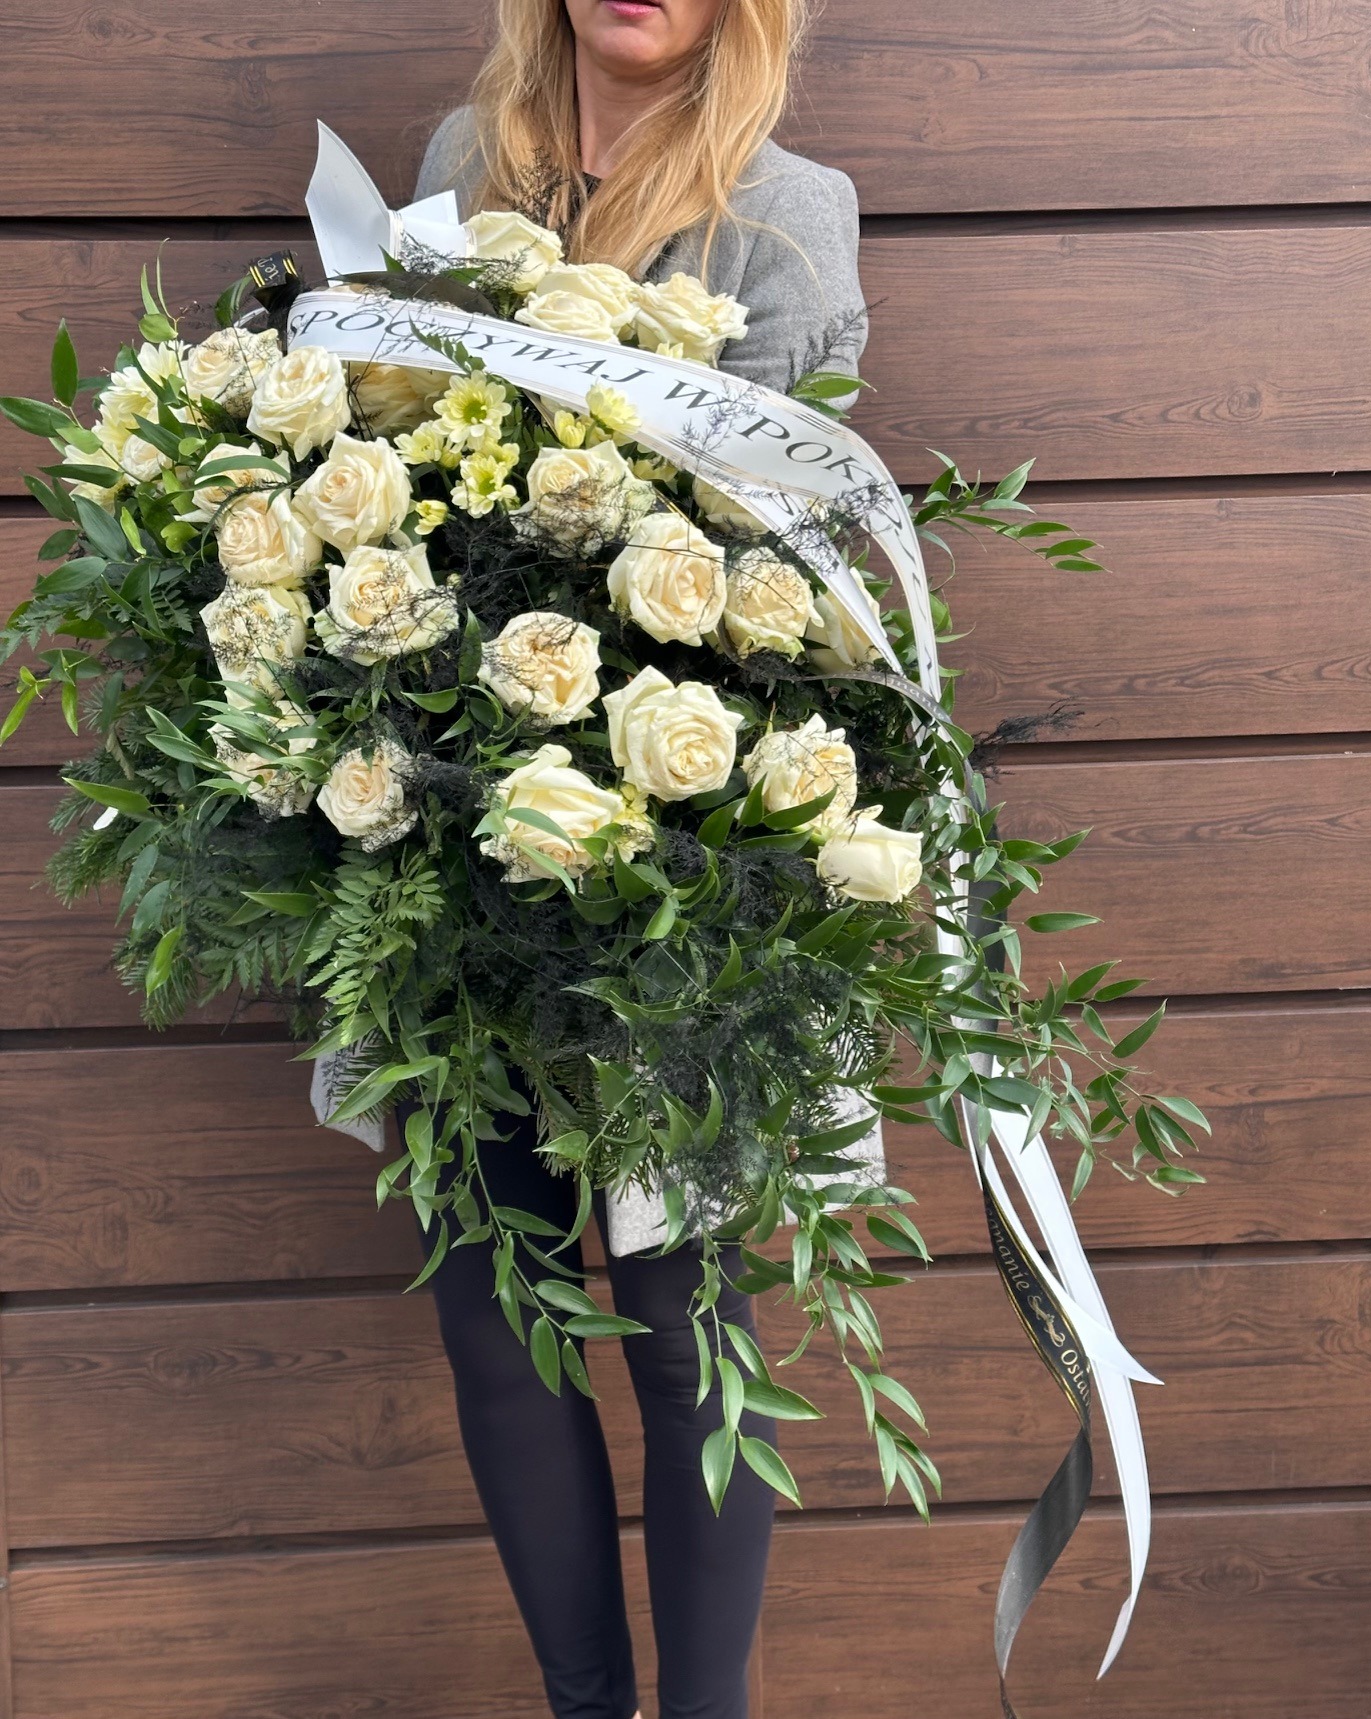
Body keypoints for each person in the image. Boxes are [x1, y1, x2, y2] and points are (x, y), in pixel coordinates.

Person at [404, 6, 868, 1718]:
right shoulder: (466, 167)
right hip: (461, 834)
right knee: (496, 1306)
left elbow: (790, 561)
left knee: (685, 1326)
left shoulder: (783, 211)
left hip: (676, 859)